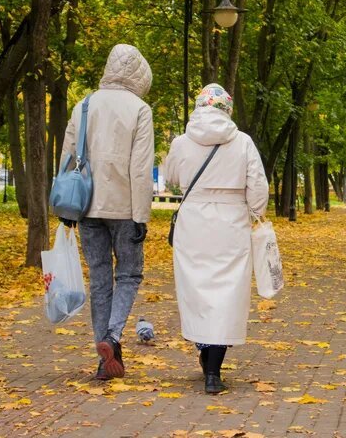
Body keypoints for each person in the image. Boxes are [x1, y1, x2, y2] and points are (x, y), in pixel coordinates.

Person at [163, 83, 269, 394]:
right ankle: (213, 369)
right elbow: (258, 188)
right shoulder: (243, 142)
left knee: (197, 290)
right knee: (227, 293)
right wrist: (253, 211)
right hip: (231, 224)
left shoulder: (182, 142)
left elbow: (170, 179)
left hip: (193, 223)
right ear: (227, 110)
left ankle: (204, 351)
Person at [60, 44, 154, 381]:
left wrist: (66, 206)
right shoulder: (140, 109)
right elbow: (141, 168)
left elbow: (68, 155)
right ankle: (112, 337)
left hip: (86, 205)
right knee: (128, 274)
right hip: (125, 206)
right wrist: (142, 214)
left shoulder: (83, 104)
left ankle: (105, 360)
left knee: (100, 280)